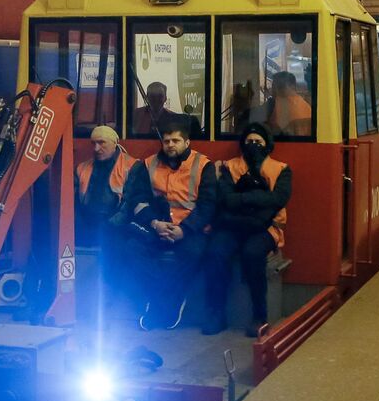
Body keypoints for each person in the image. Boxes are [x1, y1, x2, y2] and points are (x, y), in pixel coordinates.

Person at [117, 115, 216, 330]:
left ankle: (166, 303)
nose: (170, 145)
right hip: (157, 227)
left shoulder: (203, 165)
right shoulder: (148, 164)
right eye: (166, 141)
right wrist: (154, 223)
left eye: (175, 141)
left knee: (194, 253)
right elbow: (138, 200)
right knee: (131, 249)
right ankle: (163, 299)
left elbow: (208, 206)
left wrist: (184, 230)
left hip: (189, 229)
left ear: (187, 142)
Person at [202, 123, 291, 337]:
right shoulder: (229, 167)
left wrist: (241, 199)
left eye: (258, 142)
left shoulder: (281, 169)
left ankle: (259, 316)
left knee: (252, 254)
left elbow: (278, 199)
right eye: (249, 142)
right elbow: (225, 198)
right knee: (215, 252)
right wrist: (256, 201)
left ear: (267, 145)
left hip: (265, 229)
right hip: (233, 226)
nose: (253, 145)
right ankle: (216, 313)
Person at [74, 125, 135, 248]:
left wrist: (108, 227)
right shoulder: (82, 168)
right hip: (86, 224)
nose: (96, 148)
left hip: (115, 228)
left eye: (101, 143)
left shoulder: (131, 166)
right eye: (93, 143)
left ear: (114, 144)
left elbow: (130, 204)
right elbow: (73, 203)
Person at [130, 81, 203, 140]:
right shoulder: (135, 115)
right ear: (146, 98)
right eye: (152, 96)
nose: (156, 99)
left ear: (165, 98)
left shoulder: (174, 118)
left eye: (160, 96)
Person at [267, 71, 312, 137]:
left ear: (292, 86)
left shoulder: (281, 103)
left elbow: (277, 130)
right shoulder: (304, 104)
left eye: (280, 86)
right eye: (274, 87)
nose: (275, 90)